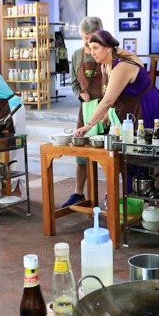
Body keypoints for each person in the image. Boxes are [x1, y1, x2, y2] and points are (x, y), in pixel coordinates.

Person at [73, 30, 159, 135]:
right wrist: (107, 114)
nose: (92, 53)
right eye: (91, 48)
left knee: (148, 146)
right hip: (131, 108)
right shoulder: (104, 65)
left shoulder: (122, 67)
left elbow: (108, 100)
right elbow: (112, 94)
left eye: (96, 48)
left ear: (108, 48)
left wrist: (88, 126)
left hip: (149, 107)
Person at [61, 16, 105, 209]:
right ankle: (79, 193)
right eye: (84, 38)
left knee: (107, 154)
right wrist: (80, 92)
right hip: (86, 109)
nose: (86, 42)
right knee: (81, 154)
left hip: (106, 110)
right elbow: (73, 82)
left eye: (89, 37)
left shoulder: (106, 55)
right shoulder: (77, 55)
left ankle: (112, 195)